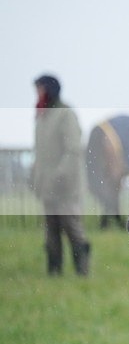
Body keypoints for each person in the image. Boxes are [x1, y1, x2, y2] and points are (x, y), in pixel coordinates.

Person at [31, 74, 91, 276]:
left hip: (65, 186)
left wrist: (59, 176)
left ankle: (82, 272)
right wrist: (36, 175)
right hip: (47, 186)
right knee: (51, 232)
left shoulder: (66, 114)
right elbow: (41, 152)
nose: (37, 93)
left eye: (40, 89)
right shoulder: (42, 115)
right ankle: (54, 272)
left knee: (72, 227)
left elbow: (73, 150)